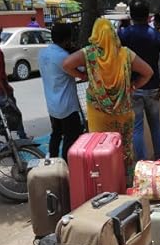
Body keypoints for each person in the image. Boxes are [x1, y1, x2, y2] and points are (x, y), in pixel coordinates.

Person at [63, 18, 153, 185]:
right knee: (123, 149)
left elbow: (66, 64)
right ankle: (125, 183)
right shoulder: (126, 54)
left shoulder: (89, 54)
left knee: (100, 148)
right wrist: (133, 86)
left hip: (98, 113)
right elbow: (148, 72)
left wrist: (82, 75)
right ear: (113, 34)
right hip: (123, 112)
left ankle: (104, 183)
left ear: (95, 35)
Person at [119, 0, 160, 161]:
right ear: (148, 15)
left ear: (131, 14)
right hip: (153, 88)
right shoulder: (157, 35)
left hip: (133, 88)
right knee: (155, 126)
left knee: (137, 129)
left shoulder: (124, 34)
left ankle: (142, 163)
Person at [38, 23, 83, 161]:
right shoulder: (63, 56)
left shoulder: (43, 53)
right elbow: (82, 71)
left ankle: (52, 162)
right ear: (67, 39)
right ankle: (67, 165)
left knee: (56, 134)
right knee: (71, 137)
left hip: (52, 105)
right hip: (67, 107)